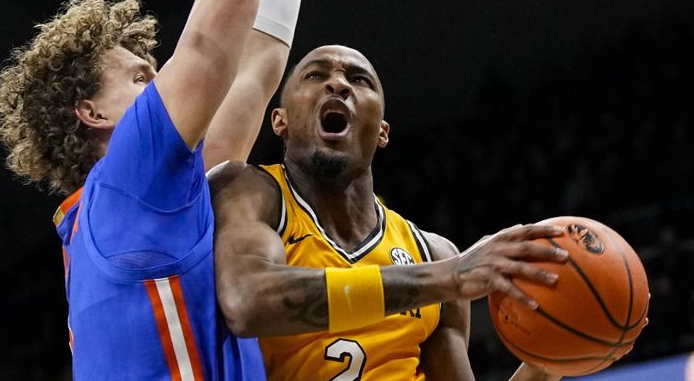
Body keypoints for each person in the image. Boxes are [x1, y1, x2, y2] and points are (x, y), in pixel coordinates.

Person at [0, 0, 322, 378]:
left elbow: (257, 66)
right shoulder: (126, 182)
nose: (164, 81)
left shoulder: (139, 203)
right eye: (142, 76)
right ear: (92, 113)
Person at [209, 45, 573, 381]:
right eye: (316, 76)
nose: (338, 84)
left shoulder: (431, 253)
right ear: (280, 121)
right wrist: (449, 278)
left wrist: (549, 359)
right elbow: (245, 301)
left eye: (358, 79)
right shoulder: (249, 190)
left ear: (382, 132)